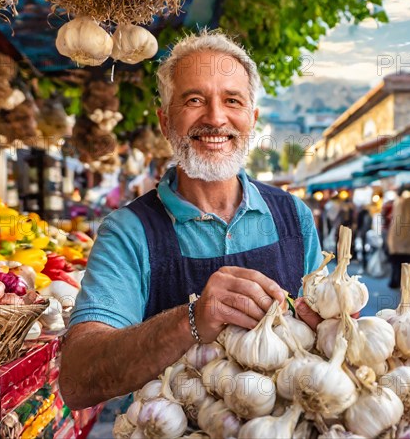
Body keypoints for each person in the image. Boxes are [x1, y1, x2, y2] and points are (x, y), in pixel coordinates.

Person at [59, 31, 324, 410]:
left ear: (252, 119)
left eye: (232, 101)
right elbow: (78, 378)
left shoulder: (293, 216)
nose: (215, 118)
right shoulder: (127, 233)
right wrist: (192, 320)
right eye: (194, 100)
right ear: (166, 122)